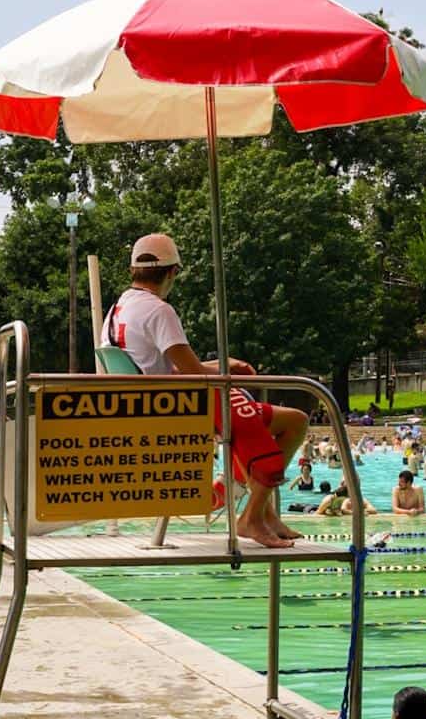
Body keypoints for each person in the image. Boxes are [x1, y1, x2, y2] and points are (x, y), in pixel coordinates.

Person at [101, 233, 307, 548]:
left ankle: (263, 513)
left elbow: (167, 366)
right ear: (172, 273)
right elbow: (193, 374)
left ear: (133, 271)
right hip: (178, 407)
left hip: (151, 402)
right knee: (276, 424)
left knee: (292, 419)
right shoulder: (159, 311)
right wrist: (221, 371)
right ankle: (252, 518)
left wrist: (223, 364)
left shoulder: (118, 309)